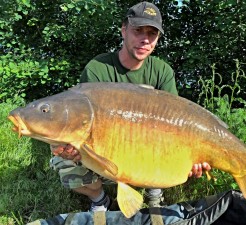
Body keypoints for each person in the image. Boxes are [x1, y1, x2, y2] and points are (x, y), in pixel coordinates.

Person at [50, 1, 211, 212]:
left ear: (157, 39)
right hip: (106, 149)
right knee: (62, 155)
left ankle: (154, 189)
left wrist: (196, 157)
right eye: (138, 31)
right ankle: (99, 199)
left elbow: (177, 126)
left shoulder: (162, 72)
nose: (145, 39)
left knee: (170, 145)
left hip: (147, 146)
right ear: (124, 30)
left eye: (152, 34)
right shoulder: (98, 69)